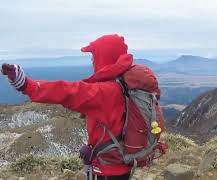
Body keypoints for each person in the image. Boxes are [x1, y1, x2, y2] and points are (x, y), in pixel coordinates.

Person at [1, 34, 158, 180]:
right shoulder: (126, 86)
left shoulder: (106, 92)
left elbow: (68, 92)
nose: (92, 61)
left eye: (94, 56)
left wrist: (28, 86)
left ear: (104, 58)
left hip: (106, 171)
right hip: (123, 163)